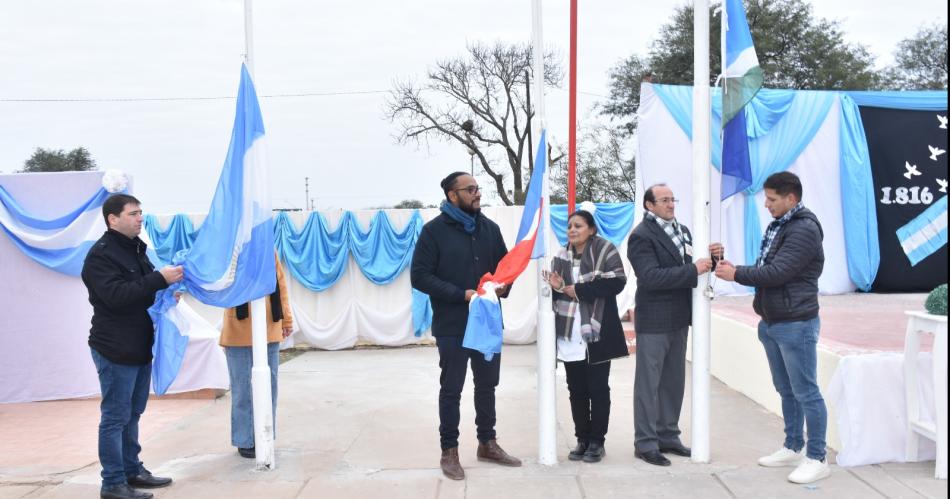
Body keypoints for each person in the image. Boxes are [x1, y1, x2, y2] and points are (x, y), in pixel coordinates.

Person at [715, 171, 830, 484]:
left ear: (791, 198)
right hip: (773, 321)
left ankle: (817, 456)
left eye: (771, 199)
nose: (766, 204)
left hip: (796, 323)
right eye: (766, 198)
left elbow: (777, 272)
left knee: (806, 392)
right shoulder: (781, 225)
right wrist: (733, 268)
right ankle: (793, 445)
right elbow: (768, 269)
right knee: (786, 390)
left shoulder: (804, 229)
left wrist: (735, 273)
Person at [410, 171, 521, 480]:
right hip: (453, 323)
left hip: (487, 324)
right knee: (452, 388)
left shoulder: (490, 229)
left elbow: (505, 270)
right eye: (469, 189)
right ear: (451, 195)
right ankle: (450, 451)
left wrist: (502, 287)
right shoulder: (434, 232)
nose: (477, 193)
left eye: (477, 188)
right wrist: (462, 295)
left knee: (487, 385)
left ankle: (487, 443)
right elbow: (419, 276)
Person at [81, 194, 183, 499]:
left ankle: (132, 470)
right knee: (115, 417)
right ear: (113, 219)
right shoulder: (100, 256)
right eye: (134, 213)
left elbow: (143, 293)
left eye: (141, 213)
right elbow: (116, 295)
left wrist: (165, 292)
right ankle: (112, 482)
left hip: (139, 344)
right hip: (114, 348)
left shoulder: (137, 249)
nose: (140, 218)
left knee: (133, 413)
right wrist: (157, 280)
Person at [626, 184, 720, 467]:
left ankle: (668, 435)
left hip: (679, 318)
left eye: (672, 199)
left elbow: (691, 267)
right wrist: (694, 269)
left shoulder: (684, 232)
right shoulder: (641, 236)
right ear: (649, 205)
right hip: (654, 320)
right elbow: (651, 277)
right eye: (664, 200)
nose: (670, 204)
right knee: (648, 384)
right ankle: (645, 443)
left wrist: (711, 261)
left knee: (673, 382)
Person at [546, 209, 628, 463]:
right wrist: (558, 287)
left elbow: (617, 282)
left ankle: (597, 442)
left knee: (598, 389)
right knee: (576, 389)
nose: (571, 230)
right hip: (570, 332)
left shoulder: (606, 250)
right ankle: (582, 439)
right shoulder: (560, 256)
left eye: (578, 226)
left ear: (591, 229)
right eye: (569, 226)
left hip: (597, 330)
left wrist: (578, 290)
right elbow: (558, 293)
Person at [219, 254, 294, 459]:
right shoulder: (229, 248)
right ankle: (245, 440)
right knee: (242, 388)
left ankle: (265, 434)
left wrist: (286, 320)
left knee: (270, 387)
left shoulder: (268, 246)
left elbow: (280, 283)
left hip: (270, 325)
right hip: (238, 328)